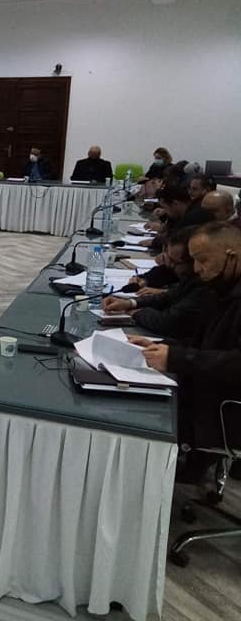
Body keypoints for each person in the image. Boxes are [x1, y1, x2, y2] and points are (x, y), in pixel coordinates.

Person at [131, 222, 241, 482]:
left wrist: (176, 358)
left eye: (203, 260)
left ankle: (151, 481)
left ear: (232, 255)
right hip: (210, 387)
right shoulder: (222, 288)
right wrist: (165, 347)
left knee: (139, 412)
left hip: (228, 406)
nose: (197, 269)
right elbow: (206, 343)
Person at [103, 227, 214, 339]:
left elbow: (169, 323)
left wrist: (138, 313)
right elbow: (169, 296)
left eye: (175, 262)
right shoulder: (190, 277)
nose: (169, 265)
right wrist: (130, 303)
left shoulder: (204, 284)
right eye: (168, 258)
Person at [139, 183, 213, 251]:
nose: (165, 211)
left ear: (175, 203)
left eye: (166, 208)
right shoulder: (185, 212)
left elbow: (177, 242)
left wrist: (154, 242)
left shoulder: (193, 216)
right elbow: (170, 232)